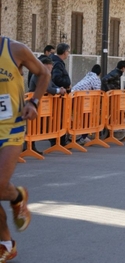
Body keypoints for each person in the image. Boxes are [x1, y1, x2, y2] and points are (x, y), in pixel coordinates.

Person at [0, 36, 50, 262]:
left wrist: (34, 102)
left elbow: (43, 73)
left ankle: (17, 195)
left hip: (12, 127)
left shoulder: (14, 50)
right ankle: (6, 244)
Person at [27, 57, 67, 153]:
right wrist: (59, 91)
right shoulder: (38, 75)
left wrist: (59, 88)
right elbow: (47, 88)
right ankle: (28, 146)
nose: (52, 66)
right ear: (44, 65)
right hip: (34, 103)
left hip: (42, 105)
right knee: (34, 125)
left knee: (41, 125)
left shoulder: (46, 75)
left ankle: (32, 146)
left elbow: (52, 85)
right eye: (50, 64)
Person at [49, 43, 72, 146]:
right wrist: (66, 85)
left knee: (58, 117)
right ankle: (59, 140)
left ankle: (58, 139)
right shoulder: (58, 63)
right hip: (58, 95)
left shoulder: (56, 62)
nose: (68, 54)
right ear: (64, 52)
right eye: (68, 51)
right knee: (59, 117)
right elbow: (56, 78)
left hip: (59, 93)